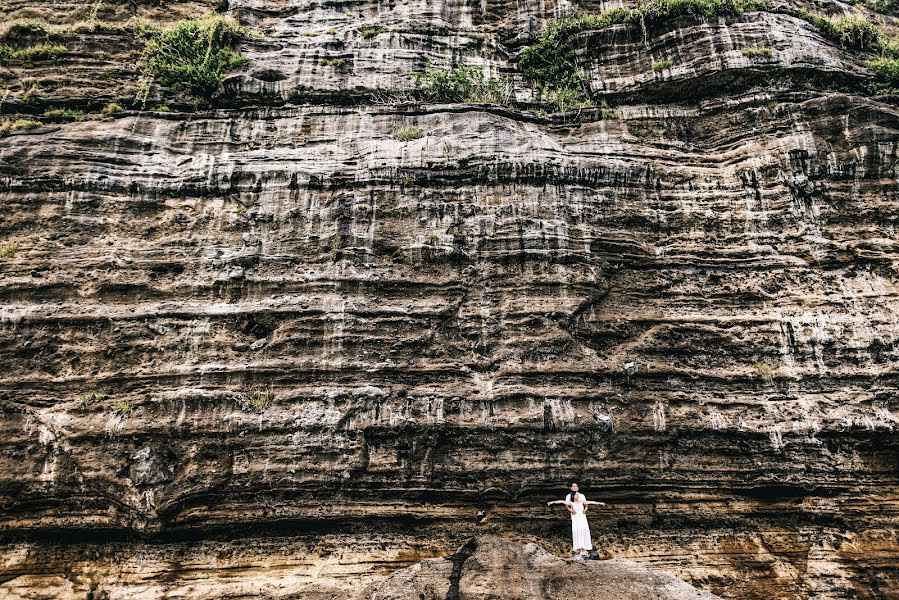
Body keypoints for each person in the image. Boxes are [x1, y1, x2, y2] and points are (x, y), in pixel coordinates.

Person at [546, 482, 606, 557]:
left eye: (577, 494)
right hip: (576, 518)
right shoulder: (571, 503)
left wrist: (600, 503)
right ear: (573, 496)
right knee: (577, 531)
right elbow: (561, 501)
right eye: (576, 495)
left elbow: (590, 502)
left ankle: (585, 549)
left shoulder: (581, 501)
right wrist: (552, 502)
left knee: (584, 530)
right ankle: (580, 549)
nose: (578, 495)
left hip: (582, 518)